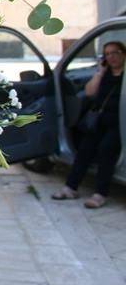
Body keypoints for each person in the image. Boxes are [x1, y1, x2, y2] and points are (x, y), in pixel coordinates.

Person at [52, 41, 125, 208]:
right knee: (85, 149)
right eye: (107, 54)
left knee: (106, 150)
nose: (111, 57)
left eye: (115, 53)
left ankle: (100, 193)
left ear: (123, 54)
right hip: (100, 119)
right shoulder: (104, 74)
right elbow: (90, 91)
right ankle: (71, 187)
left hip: (119, 123)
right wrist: (100, 72)